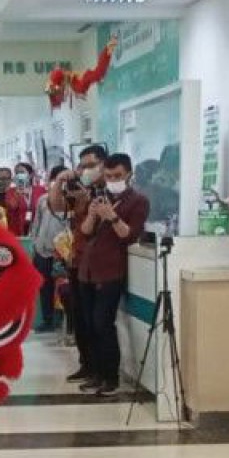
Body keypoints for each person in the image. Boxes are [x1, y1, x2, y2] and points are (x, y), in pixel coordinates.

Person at [73, 153, 149, 397]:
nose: (112, 180)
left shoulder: (137, 201)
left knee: (103, 324)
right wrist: (94, 214)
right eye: (108, 176)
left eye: (117, 176)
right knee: (88, 325)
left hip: (111, 271)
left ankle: (110, 377)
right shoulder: (99, 196)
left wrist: (112, 216)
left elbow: (129, 235)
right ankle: (95, 372)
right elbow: (84, 232)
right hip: (87, 270)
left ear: (128, 174)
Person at [49, 146, 107, 384]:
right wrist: (59, 181)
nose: (85, 170)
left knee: (97, 320)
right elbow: (57, 207)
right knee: (81, 319)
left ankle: (99, 369)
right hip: (77, 262)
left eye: (91, 165)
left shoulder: (105, 194)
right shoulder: (82, 191)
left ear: (103, 164)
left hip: (98, 266)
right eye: (82, 166)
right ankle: (86, 364)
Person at [30, 166, 68, 332]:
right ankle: (48, 319)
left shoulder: (70, 201)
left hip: (61, 252)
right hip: (42, 250)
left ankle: (64, 321)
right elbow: (36, 224)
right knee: (44, 286)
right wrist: (35, 243)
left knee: (62, 287)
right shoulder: (43, 200)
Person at [4, 162, 45, 237]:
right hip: (17, 233)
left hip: (37, 232)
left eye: (22, 172)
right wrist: (18, 194)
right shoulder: (11, 192)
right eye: (17, 173)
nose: (19, 175)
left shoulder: (41, 190)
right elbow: (11, 207)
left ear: (30, 175)